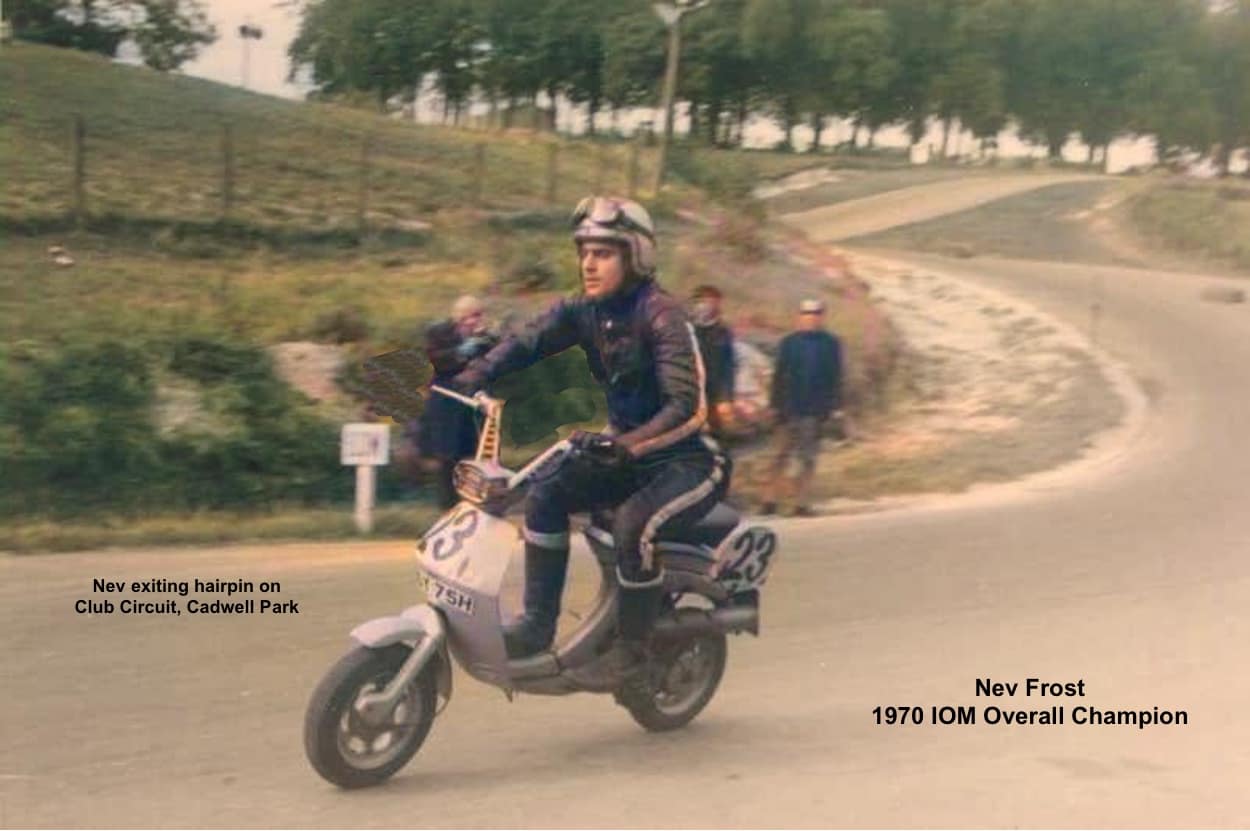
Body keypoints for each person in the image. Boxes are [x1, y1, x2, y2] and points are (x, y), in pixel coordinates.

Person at [452, 195, 731, 685]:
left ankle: (633, 649)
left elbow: (686, 407)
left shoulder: (663, 315)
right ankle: (537, 628)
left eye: (602, 253)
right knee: (545, 495)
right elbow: (528, 340)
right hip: (623, 455)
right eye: (584, 252)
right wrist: (472, 375)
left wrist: (627, 444)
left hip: (686, 463)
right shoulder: (585, 310)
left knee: (632, 526)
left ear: (635, 256)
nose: (588, 263)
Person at [414, 295, 499, 509]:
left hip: (472, 404)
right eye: (469, 316)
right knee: (447, 458)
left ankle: (471, 505)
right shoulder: (439, 332)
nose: (473, 321)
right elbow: (434, 359)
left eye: (478, 315)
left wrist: (485, 341)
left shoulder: (485, 338)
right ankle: (447, 508)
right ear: (458, 317)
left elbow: (496, 360)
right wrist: (460, 351)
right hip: (446, 402)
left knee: (473, 456)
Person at [763, 298, 844, 518]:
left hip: (814, 410)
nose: (811, 318)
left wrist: (836, 406)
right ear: (799, 317)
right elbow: (779, 375)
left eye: (815, 314)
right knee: (779, 455)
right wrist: (773, 405)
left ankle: (801, 503)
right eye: (807, 314)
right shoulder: (789, 343)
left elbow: (836, 377)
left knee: (807, 458)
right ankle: (769, 500)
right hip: (787, 408)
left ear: (822, 317)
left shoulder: (831, 344)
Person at [690, 284, 737, 438]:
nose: (704, 306)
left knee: (715, 434)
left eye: (710, 302)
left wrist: (726, 398)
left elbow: (728, 367)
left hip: (713, 394)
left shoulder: (722, 332)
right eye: (701, 301)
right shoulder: (685, 328)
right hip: (688, 392)